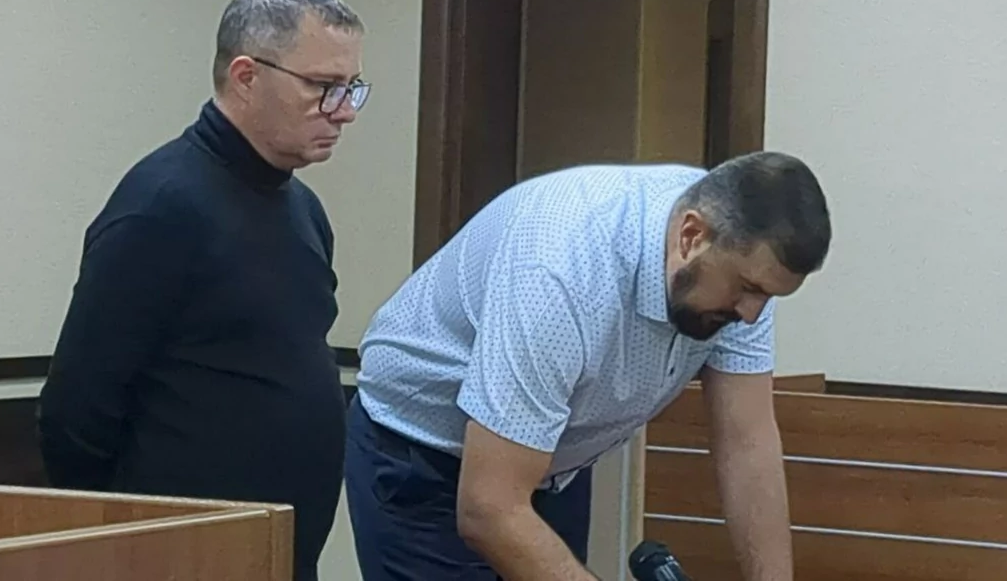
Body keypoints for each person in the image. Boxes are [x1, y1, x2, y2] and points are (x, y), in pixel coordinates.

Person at [345, 153, 831, 581]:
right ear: (691, 236)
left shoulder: (737, 266)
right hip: (421, 453)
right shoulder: (562, 271)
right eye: (747, 289)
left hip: (547, 462)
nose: (752, 314)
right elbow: (488, 508)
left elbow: (747, 445)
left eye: (768, 296)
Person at [36, 0, 368, 581]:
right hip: (171, 561)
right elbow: (74, 413)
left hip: (279, 555)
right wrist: (127, 545)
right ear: (246, 77)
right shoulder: (161, 205)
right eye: (323, 87)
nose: (344, 112)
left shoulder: (304, 210)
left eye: (351, 89)